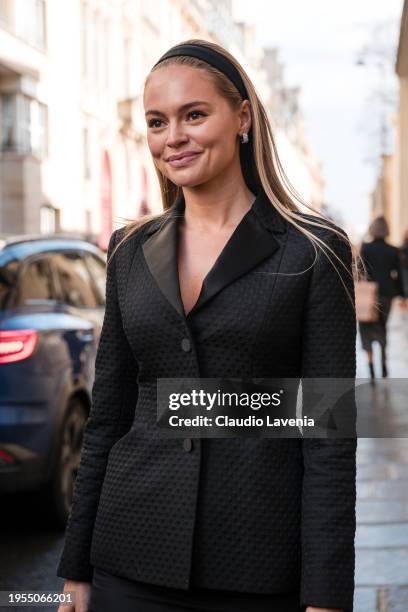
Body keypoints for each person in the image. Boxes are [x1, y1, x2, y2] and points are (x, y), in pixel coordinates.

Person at [57, 40, 357, 612]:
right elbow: (108, 418)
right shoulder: (129, 250)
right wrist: (75, 568)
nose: (174, 136)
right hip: (128, 558)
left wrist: (327, 595)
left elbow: (328, 440)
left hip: (256, 565)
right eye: (156, 122)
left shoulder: (314, 250)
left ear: (242, 117)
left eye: (194, 115)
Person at [358, 216, 404, 380]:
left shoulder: (367, 248)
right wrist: (402, 294)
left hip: (369, 293)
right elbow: (397, 275)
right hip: (387, 294)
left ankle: (371, 369)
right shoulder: (393, 250)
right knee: (383, 327)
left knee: (366, 329)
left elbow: (359, 269)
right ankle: (384, 367)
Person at [400, 229, 408, 307]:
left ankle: (404, 300)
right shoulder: (404, 245)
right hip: (405, 268)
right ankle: (404, 300)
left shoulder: (403, 245)